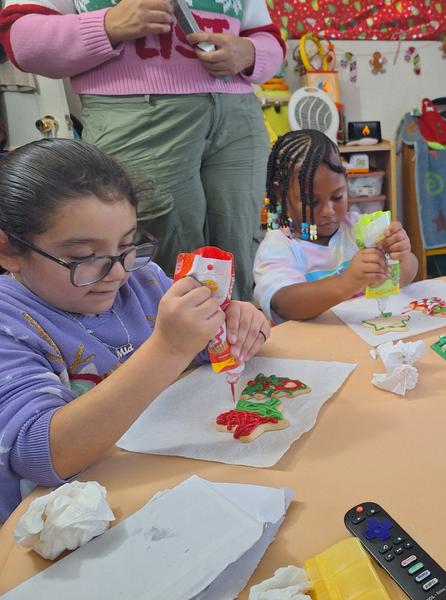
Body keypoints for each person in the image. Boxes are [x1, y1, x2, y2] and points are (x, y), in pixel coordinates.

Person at [0, 139, 270, 520]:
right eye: (84, 258)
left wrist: (241, 323)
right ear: (9, 250)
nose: (117, 272)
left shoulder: (142, 281)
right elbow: (41, 456)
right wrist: (167, 349)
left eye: (128, 245)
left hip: (163, 483)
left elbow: (207, 350)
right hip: (68, 522)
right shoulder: (10, 322)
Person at [0, 0, 286, 301]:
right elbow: (22, 40)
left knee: (239, 241)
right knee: (154, 252)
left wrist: (251, 53)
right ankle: (158, 345)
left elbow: (266, 36)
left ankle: (230, 343)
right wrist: (108, 25)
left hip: (237, 114)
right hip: (137, 109)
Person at [253, 129, 419, 322]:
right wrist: (347, 282)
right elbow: (284, 305)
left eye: (337, 196)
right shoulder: (280, 245)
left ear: (345, 181)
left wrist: (403, 255)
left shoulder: (359, 228)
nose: (328, 211)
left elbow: (406, 275)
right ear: (280, 193)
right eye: (312, 201)